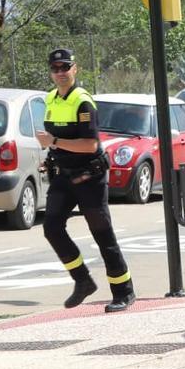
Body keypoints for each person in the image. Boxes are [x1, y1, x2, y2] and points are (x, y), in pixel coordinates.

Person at [36, 48, 136, 313]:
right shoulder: (51, 99)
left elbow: (91, 145)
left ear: (74, 69)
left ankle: (124, 291)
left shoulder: (83, 101)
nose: (60, 73)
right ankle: (83, 281)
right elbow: (56, 141)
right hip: (63, 176)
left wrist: (54, 142)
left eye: (65, 68)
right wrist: (50, 154)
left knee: (101, 232)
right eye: (55, 69)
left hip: (89, 176)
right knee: (52, 228)